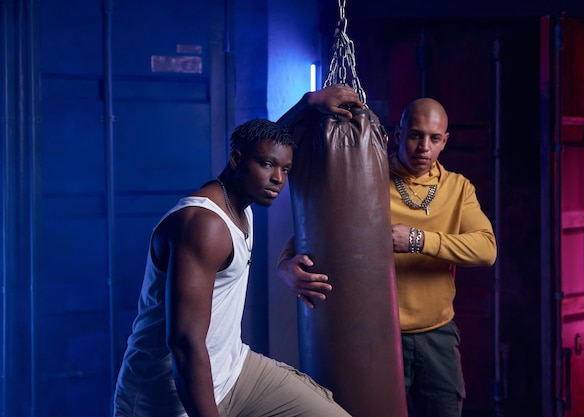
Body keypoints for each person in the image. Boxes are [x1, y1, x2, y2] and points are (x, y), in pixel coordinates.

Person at [277, 89, 497, 417]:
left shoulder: (458, 188)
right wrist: (285, 269)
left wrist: (418, 240)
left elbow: (486, 249)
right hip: (376, 338)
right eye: (415, 136)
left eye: (434, 138)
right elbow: (312, 236)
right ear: (399, 134)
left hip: (436, 335)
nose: (424, 147)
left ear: (444, 141)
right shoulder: (366, 178)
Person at [113, 117, 353, 417]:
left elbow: (264, 142)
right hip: (167, 395)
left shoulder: (241, 201)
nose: (278, 178)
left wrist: (309, 105)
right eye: (268, 165)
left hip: (232, 370)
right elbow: (184, 343)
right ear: (236, 159)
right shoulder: (204, 225)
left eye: (285, 169)